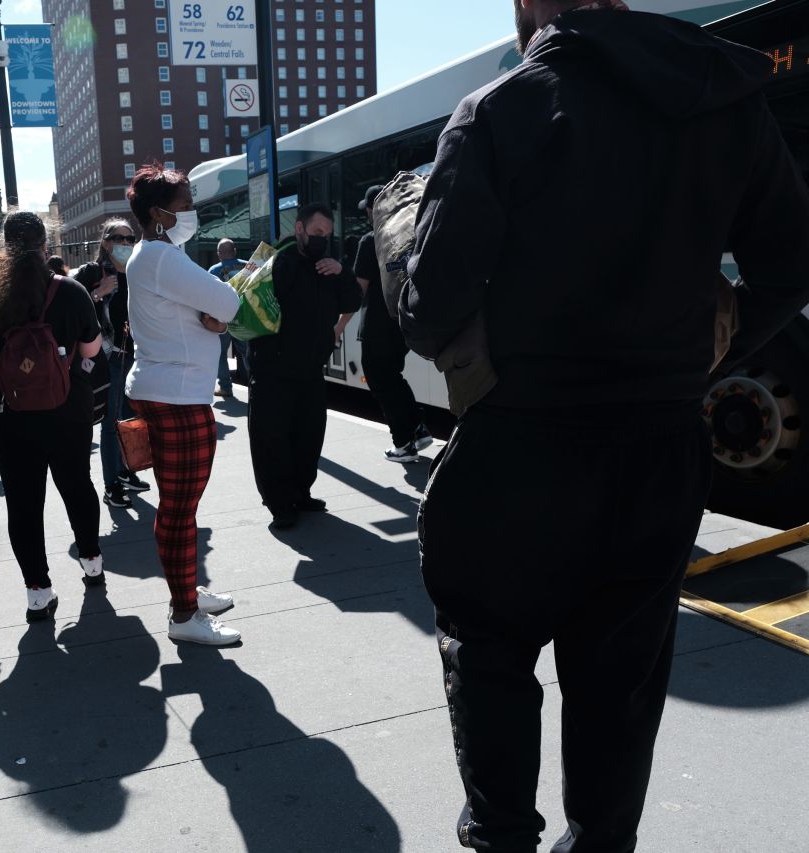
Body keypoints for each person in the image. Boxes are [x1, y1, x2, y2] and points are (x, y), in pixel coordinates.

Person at [400, 3, 809, 850]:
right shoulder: (725, 97)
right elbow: (793, 260)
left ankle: (504, 837)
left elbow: (431, 314)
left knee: (489, 654)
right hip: (659, 446)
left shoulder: (501, 109)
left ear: (530, 10)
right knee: (620, 680)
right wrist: (706, 347)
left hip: (520, 443)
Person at [0, 211, 105, 622]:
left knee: (23, 501)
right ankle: (91, 561)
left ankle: (38, 591)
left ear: (4, 247)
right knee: (76, 484)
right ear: (46, 245)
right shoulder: (71, 291)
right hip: (67, 407)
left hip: (10, 414)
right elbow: (92, 352)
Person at [124, 164, 243, 646]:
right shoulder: (162, 259)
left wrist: (209, 317)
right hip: (176, 394)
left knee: (180, 507)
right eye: (184, 204)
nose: (192, 211)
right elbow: (229, 303)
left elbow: (207, 310)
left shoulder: (150, 256)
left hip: (167, 388)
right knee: (179, 509)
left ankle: (186, 591)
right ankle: (184, 614)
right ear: (158, 213)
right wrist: (216, 316)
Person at [247, 204, 362, 530]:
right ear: (299, 228)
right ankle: (280, 504)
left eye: (327, 234)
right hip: (273, 369)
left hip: (311, 369)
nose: (322, 240)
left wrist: (341, 272)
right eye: (316, 233)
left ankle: (302, 493)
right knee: (273, 439)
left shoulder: (328, 267)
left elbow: (352, 301)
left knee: (309, 435)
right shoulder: (275, 260)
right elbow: (250, 303)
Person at [72, 218, 151, 508]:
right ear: (105, 243)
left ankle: (125, 470)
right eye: (119, 238)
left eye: (131, 239)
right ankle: (111, 484)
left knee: (131, 420)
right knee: (110, 424)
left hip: (137, 356)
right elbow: (71, 314)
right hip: (108, 359)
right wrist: (97, 293)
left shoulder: (136, 272)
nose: (126, 244)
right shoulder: (91, 273)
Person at [354, 185, 432, 463]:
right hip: (402, 322)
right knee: (393, 377)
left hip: (376, 324)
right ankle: (418, 428)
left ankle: (403, 444)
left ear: (375, 208)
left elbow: (359, 289)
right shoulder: (410, 237)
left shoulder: (371, 240)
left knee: (380, 381)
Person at [208, 238, 249, 398]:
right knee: (248, 353)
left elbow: (208, 295)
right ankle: (256, 387)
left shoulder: (214, 270)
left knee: (220, 354)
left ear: (219, 254)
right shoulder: (248, 266)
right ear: (235, 250)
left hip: (223, 319)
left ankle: (225, 387)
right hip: (245, 319)